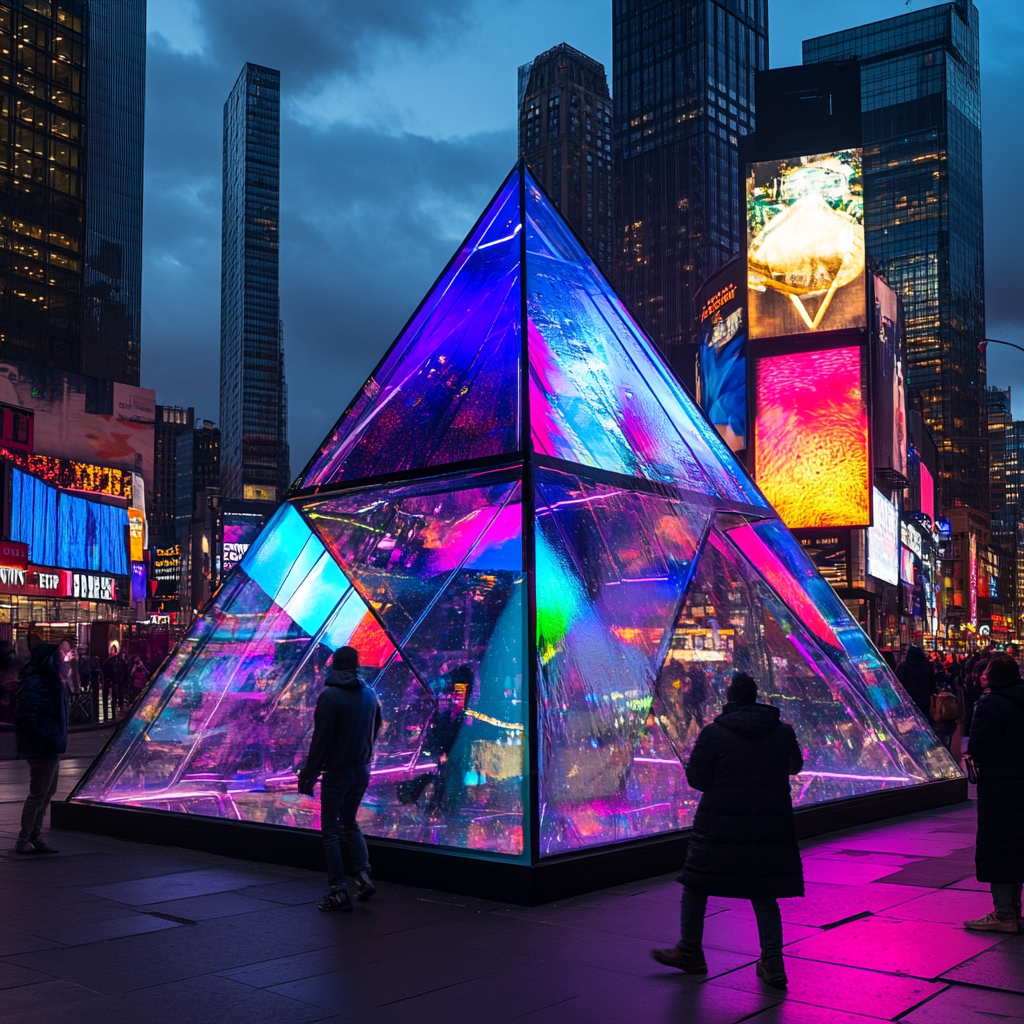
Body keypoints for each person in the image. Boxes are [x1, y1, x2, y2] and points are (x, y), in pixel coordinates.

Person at [652, 672, 804, 989]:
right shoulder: (782, 731)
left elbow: (697, 779)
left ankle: (690, 951)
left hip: (719, 824)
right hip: (768, 822)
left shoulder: (714, 733)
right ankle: (773, 961)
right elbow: (794, 767)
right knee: (764, 891)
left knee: (696, 885)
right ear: (756, 696)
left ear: (730, 697)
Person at [298, 645, 382, 912]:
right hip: (362, 769)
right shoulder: (370, 695)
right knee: (350, 823)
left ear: (334, 665)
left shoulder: (330, 698)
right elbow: (376, 728)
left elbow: (320, 741)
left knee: (331, 831)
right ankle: (364, 873)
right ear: (357, 665)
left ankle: (338, 890)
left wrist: (309, 773)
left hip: (337, 772)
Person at [964, 654, 1024, 933]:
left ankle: (1004, 914)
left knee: (999, 845)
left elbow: (979, 747)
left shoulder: (989, 704)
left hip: (999, 785)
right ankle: (1015, 911)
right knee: (1018, 845)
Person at [14, 641, 69, 854]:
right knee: (38, 794)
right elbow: (26, 715)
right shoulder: (37, 681)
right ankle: (24, 839)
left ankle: (34, 837)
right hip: (44, 747)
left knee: (47, 793)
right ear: (49, 659)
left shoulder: (50, 680)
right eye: (59, 655)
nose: (63, 658)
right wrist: (44, 736)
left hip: (52, 746)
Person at [895, 645, 936, 721]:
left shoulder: (902, 667)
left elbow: (897, 684)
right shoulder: (927, 665)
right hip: (925, 700)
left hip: (908, 701)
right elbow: (932, 682)